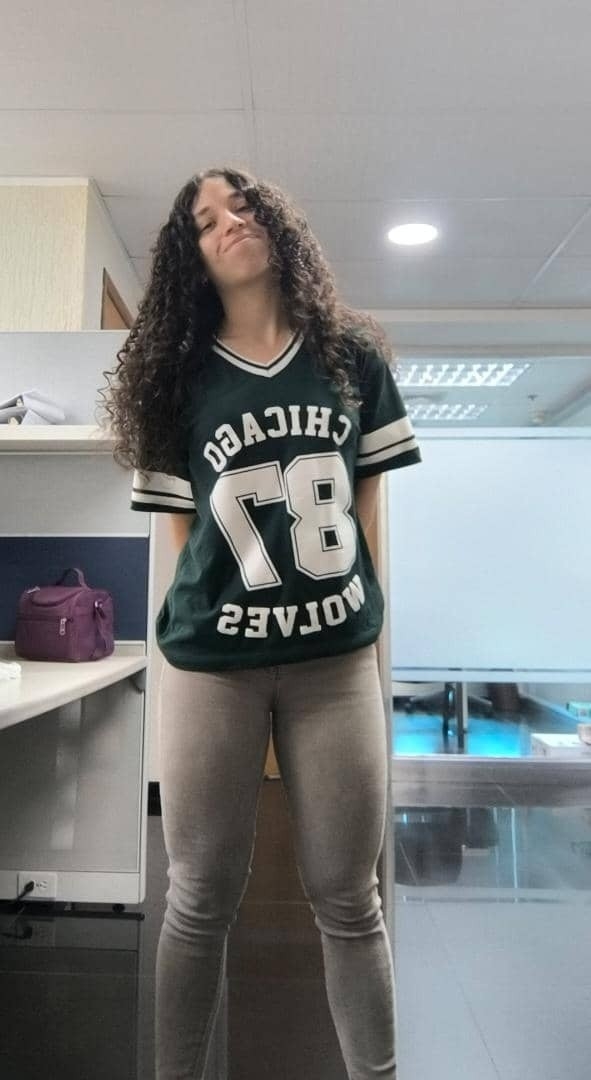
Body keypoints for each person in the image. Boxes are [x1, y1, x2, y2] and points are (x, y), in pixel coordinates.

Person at [99, 165, 421, 1080]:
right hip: (213, 665)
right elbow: (181, 531)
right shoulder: (174, 379)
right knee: (198, 898)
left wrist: (365, 616)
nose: (229, 223)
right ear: (192, 258)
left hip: (334, 664)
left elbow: (367, 503)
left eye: (242, 206)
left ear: (279, 226)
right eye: (206, 221)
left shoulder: (349, 356)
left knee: (349, 899)